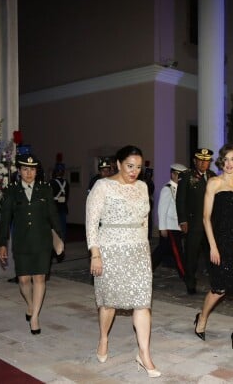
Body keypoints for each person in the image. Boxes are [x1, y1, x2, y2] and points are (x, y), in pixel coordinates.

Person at [86, 145, 160, 378]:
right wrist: (95, 254)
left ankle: (144, 354)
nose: (134, 171)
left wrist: (146, 251)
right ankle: (104, 338)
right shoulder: (102, 186)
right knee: (109, 303)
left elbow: (145, 221)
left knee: (142, 303)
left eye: (138, 167)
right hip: (110, 250)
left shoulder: (142, 186)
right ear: (118, 164)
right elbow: (91, 222)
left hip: (138, 250)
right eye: (130, 166)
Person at [193, 144, 233, 354]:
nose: (229, 163)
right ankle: (202, 318)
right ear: (222, 162)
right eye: (226, 159)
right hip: (218, 241)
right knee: (218, 289)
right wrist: (213, 246)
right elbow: (205, 218)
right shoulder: (214, 183)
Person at [0, 154, 64, 335]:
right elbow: (5, 219)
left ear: (36, 171)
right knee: (24, 280)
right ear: (19, 171)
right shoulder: (12, 191)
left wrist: (59, 237)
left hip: (42, 241)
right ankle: (30, 305)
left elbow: (53, 215)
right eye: (25, 169)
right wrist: (2, 243)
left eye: (32, 169)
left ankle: (35, 316)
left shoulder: (45, 189)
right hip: (21, 242)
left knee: (40, 278)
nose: (29, 173)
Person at [176, 148, 216, 294]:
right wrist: (183, 220)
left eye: (206, 161)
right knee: (191, 256)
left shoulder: (212, 176)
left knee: (212, 255)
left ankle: (216, 282)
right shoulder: (187, 176)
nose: (203, 164)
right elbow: (180, 200)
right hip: (193, 224)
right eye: (200, 160)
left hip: (209, 225)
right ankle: (190, 283)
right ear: (195, 161)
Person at [151, 163, 187, 277]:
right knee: (177, 253)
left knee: (161, 251)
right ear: (173, 175)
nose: (181, 178)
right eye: (178, 175)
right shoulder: (167, 189)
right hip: (170, 227)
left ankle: (146, 270)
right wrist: (162, 228)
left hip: (176, 226)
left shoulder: (180, 189)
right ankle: (186, 275)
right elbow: (162, 210)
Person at [50, 163, 69, 246]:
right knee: (63, 228)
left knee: (54, 228)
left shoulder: (51, 182)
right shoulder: (66, 183)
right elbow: (67, 196)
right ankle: (62, 244)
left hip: (54, 209)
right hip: (63, 208)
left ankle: (54, 245)